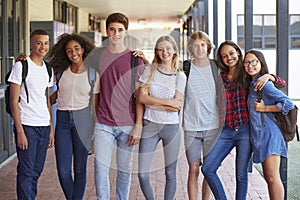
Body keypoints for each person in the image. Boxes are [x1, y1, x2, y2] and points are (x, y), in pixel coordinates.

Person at [201, 40, 286, 200]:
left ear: (238, 53)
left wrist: (269, 76)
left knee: (241, 175)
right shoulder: (221, 78)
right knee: (208, 168)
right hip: (225, 130)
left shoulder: (248, 74)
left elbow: (280, 84)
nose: (229, 57)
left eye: (231, 53)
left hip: (245, 131)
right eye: (224, 56)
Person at [89, 12, 144, 200]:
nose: (116, 33)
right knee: (100, 169)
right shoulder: (98, 57)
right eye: (112, 29)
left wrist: (138, 125)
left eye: (120, 30)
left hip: (127, 124)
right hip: (103, 123)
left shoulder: (135, 59)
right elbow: (95, 91)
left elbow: (141, 96)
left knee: (124, 170)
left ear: (125, 32)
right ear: (107, 31)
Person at [46, 33, 99, 200]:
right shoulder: (61, 72)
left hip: (83, 120)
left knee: (80, 168)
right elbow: (55, 96)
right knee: (63, 169)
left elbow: (95, 107)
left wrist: (94, 135)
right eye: (68, 50)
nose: (73, 53)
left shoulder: (93, 73)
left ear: (83, 50)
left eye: (76, 48)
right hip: (62, 120)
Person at [137, 35, 186, 199]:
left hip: (171, 128)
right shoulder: (149, 71)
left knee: (171, 173)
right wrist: (167, 102)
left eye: (168, 48)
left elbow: (176, 107)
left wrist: (152, 102)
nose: (164, 52)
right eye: (160, 49)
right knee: (142, 174)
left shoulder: (180, 77)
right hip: (150, 125)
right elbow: (141, 98)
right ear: (156, 52)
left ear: (174, 51)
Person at [8, 29, 54, 199]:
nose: (43, 46)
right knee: (26, 171)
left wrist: (51, 129)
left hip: (43, 125)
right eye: (39, 42)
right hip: (27, 125)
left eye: (46, 43)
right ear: (31, 44)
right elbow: (14, 101)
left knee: (36, 170)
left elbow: (46, 100)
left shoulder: (48, 69)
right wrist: (19, 132)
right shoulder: (21, 66)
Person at [243, 49, 294, 200]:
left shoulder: (264, 84)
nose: (250, 65)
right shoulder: (253, 84)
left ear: (261, 63)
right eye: (247, 62)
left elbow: (288, 104)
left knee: (272, 178)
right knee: (269, 178)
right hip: (260, 136)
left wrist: (265, 108)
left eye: (254, 62)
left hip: (270, 136)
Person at [182, 31, 226, 200]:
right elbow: (163, 71)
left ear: (208, 46)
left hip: (213, 128)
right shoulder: (186, 67)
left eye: (202, 44)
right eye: (195, 45)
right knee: (193, 169)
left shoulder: (217, 67)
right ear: (190, 48)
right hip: (191, 128)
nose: (199, 48)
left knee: (209, 169)